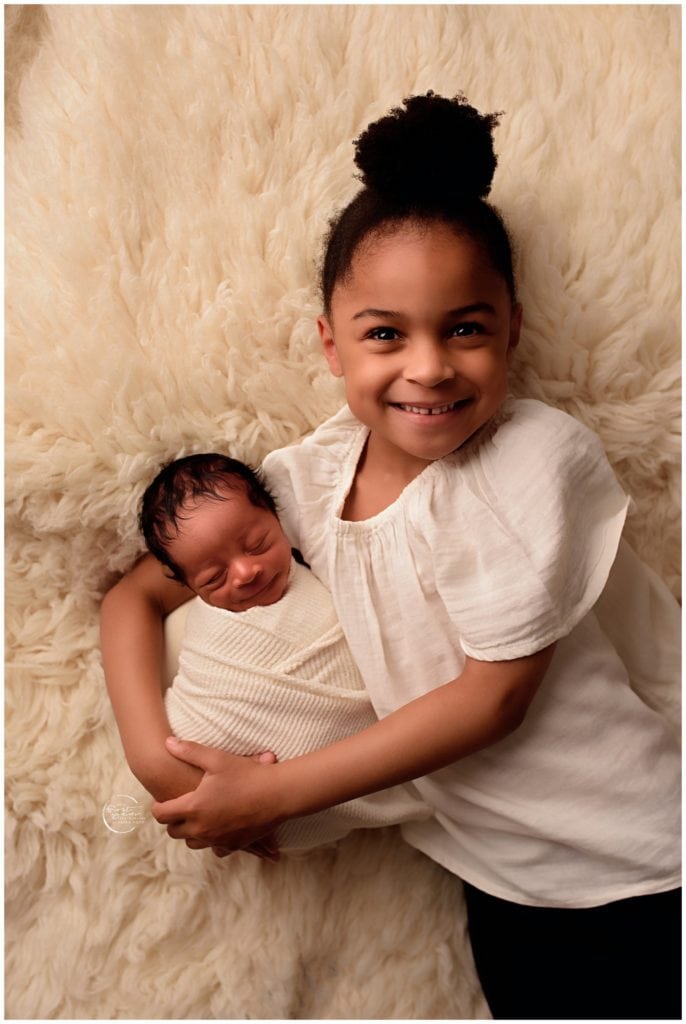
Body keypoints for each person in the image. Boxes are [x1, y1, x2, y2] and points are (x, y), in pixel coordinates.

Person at [100, 93, 681, 1019]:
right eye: (385, 333)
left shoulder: (534, 457)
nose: (429, 367)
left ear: (512, 330)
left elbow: (494, 696)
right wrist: (151, 756)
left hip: (639, 859)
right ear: (332, 345)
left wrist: (272, 795)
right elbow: (136, 599)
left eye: (464, 327)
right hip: (501, 880)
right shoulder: (302, 486)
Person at [119, 451, 427, 853]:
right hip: (207, 787)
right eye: (214, 577)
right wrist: (160, 767)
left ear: (277, 517)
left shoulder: (322, 556)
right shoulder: (205, 618)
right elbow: (128, 597)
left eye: (257, 544)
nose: (246, 572)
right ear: (188, 585)